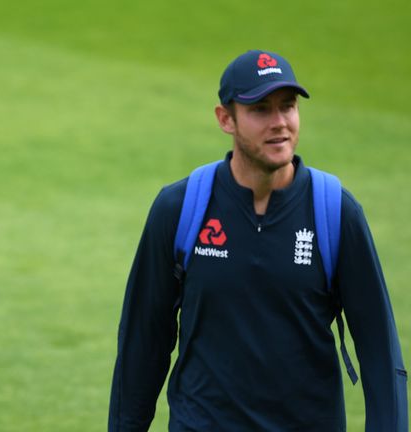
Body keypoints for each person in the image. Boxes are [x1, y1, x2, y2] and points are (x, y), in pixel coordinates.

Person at [108, 50, 407, 430]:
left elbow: (380, 351)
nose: (279, 122)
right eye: (260, 109)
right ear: (225, 119)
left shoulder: (336, 213)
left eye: (288, 106)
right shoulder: (179, 209)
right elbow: (142, 343)